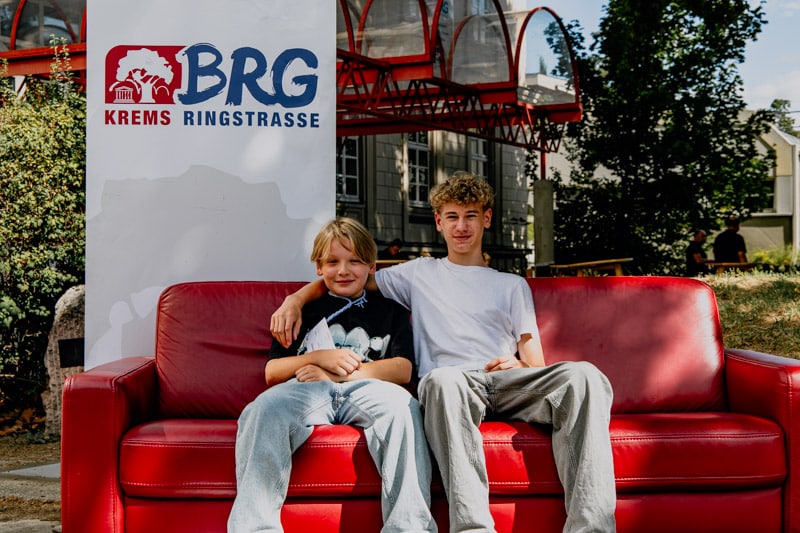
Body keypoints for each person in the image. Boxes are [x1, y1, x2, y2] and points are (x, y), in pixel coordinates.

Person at [271, 173, 617, 533]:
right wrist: (295, 299)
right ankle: (473, 529)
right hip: (452, 386)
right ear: (438, 221)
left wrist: (518, 363)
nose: (461, 226)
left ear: (486, 218)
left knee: (585, 376)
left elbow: (535, 363)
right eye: (452, 216)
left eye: (470, 216)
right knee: (441, 380)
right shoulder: (418, 273)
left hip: (507, 382)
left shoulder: (512, 285)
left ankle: (592, 528)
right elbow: (348, 275)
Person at [228, 218, 436, 533]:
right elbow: (272, 372)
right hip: (306, 389)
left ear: (372, 267)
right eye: (333, 262)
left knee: (404, 409)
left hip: (367, 387)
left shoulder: (390, 309)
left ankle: (409, 527)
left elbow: (403, 369)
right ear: (318, 267)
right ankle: (255, 528)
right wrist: (318, 358)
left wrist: (339, 376)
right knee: (263, 409)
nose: (343, 271)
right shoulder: (302, 310)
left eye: (355, 261)